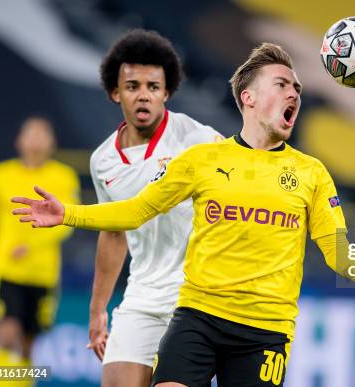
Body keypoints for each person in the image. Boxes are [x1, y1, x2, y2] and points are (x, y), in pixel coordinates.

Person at [11, 43, 355, 387]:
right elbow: (136, 212)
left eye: (297, 88)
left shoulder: (311, 174)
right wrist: (69, 214)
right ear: (248, 98)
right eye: (282, 84)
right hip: (197, 319)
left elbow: (334, 249)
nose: (294, 93)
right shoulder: (202, 161)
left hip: (264, 332)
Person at [87, 29, 222, 387]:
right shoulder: (102, 161)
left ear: (167, 92)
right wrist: (98, 308)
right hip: (142, 297)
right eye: (132, 86)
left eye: (152, 86)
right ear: (116, 93)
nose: (143, 95)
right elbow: (113, 233)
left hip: (196, 301)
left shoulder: (199, 139)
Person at [0, 117, 80, 387]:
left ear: (52, 142)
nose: (35, 140)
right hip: (6, 270)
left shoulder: (63, 176)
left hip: (43, 274)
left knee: (27, 344)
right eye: (30, 134)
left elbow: (67, 222)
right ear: (19, 140)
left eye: (41, 134)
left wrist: (32, 245)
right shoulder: (0, 175)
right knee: (8, 332)